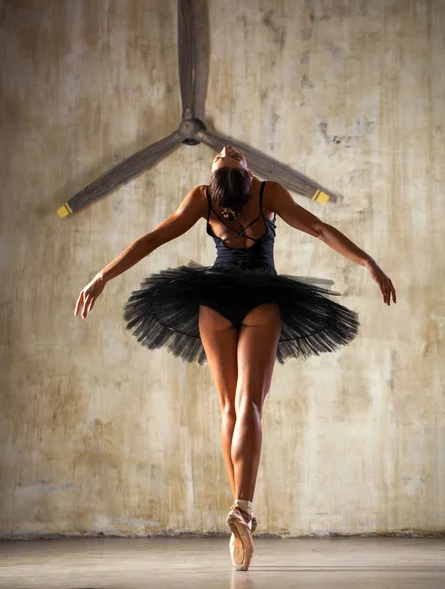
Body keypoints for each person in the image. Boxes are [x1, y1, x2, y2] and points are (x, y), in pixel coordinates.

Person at [75, 145, 396, 571]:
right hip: (262, 299)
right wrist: (367, 261)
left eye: (224, 157)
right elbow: (319, 229)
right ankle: (243, 508)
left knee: (229, 407)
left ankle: (240, 511)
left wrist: (102, 276)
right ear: (246, 175)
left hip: (214, 300)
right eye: (229, 158)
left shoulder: (202, 198)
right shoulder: (268, 194)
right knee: (250, 406)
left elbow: (153, 238)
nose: (224, 150)